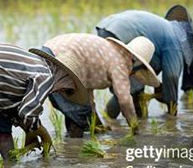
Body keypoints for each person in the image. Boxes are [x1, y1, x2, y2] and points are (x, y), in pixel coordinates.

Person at [0, 42, 88, 162]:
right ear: (64, 76)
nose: (60, 92)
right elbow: (28, 111)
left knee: (0, 124)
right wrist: (38, 131)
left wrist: (29, 130)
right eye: (68, 89)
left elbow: (16, 106)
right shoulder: (46, 75)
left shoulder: (37, 66)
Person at [31, 33, 160, 137]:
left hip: (50, 51)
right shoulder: (120, 63)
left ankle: (70, 148)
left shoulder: (109, 51)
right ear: (137, 63)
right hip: (61, 59)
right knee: (79, 113)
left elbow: (85, 94)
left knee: (77, 111)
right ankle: (74, 158)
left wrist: (97, 125)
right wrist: (135, 128)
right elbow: (125, 100)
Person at [96, 5, 193, 116]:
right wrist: (172, 108)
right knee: (128, 88)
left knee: (133, 88)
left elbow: (144, 65)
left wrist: (158, 86)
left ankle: (134, 121)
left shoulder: (166, 29)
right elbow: (171, 75)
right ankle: (109, 120)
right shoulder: (175, 41)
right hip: (119, 33)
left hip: (107, 26)